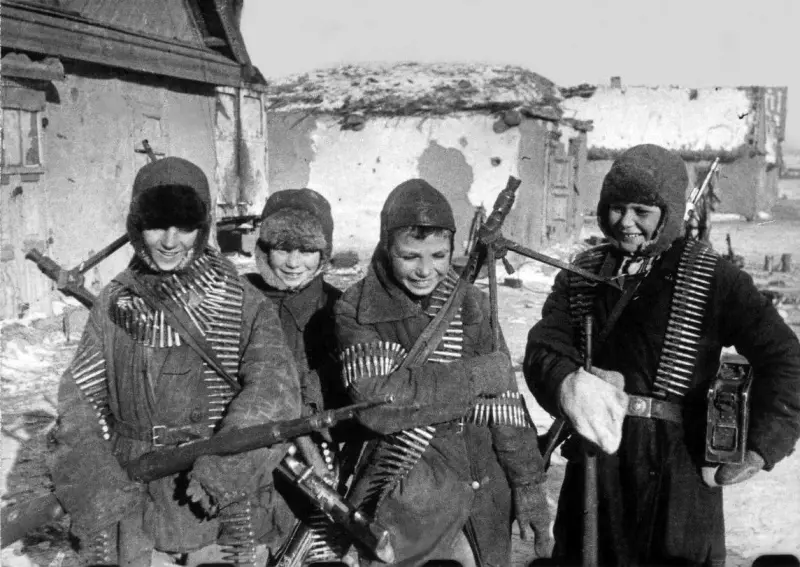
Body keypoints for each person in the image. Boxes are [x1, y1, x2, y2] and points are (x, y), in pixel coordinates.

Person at [523, 144, 800, 567]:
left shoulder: (711, 276)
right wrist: (568, 383)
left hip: (679, 470)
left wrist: (761, 447)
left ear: (668, 213)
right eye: (616, 208)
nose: (626, 222)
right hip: (597, 463)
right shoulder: (583, 274)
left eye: (642, 210)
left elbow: (785, 359)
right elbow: (545, 346)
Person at [49, 157, 303, 567]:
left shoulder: (240, 302)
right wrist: (95, 479)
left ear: (202, 229)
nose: (169, 241)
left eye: (184, 227)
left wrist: (227, 464)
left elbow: (273, 391)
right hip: (133, 498)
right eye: (156, 225)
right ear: (136, 227)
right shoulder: (114, 302)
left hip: (217, 502)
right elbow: (79, 401)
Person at [334, 179, 552, 566]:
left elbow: (505, 403)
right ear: (386, 248)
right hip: (406, 495)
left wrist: (528, 482)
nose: (425, 270)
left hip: (482, 489)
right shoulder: (357, 307)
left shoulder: (471, 302)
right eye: (410, 256)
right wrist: (474, 377)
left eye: (438, 255)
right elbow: (378, 404)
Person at [245, 188, 350, 562]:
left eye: (306, 250)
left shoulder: (340, 310)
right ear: (263, 248)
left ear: (324, 254)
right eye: (282, 248)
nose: (292, 263)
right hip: (250, 450)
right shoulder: (239, 298)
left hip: (319, 456)